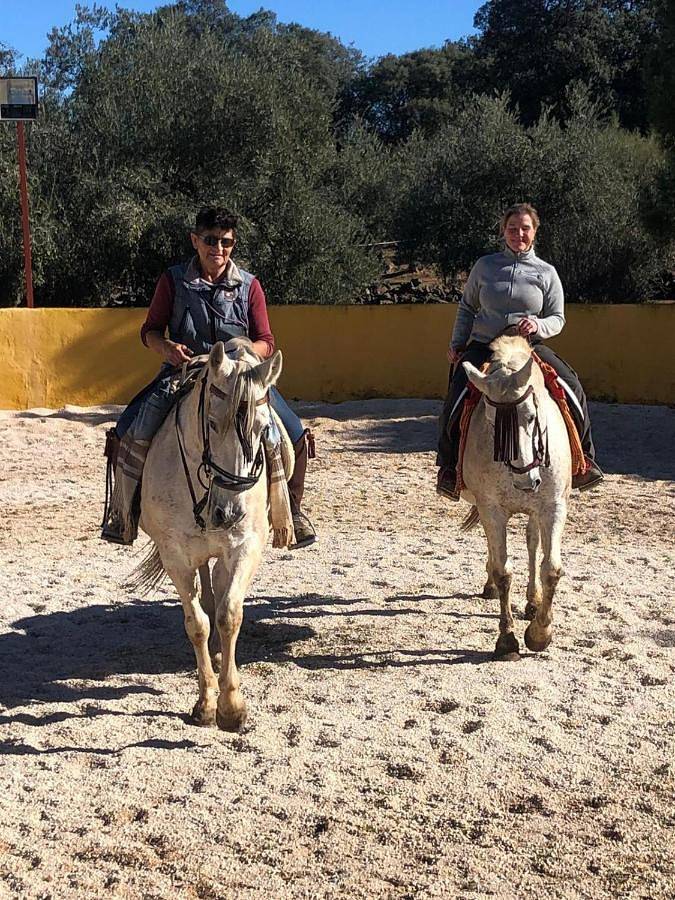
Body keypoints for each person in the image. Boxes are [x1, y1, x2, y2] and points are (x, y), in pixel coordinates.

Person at [101, 206, 317, 548]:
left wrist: (247, 355)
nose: (218, 249)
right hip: (184, 371)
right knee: (130, 429)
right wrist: (168, 348)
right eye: (211, 240)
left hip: (239, 377)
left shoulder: (249, 286)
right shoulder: (173, 280)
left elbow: (266, 340)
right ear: (195, 240)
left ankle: (291, 511)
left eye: (226, 242)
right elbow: (151, 330)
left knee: (293, 435)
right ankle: (123, 514)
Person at [436, 202, 604, 500]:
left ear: (534, 232)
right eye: (512, 229)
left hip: (527, 348)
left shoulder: (546, 272)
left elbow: (557, 318)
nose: (519, 234)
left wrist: (538, 325)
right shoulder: (485, 266)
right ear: (503, 231)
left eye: (525, 228)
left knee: (572, 385)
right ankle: (448, 468)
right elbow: (467, 307)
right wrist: (457, 344)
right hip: (485, 346)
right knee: (458, 392)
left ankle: (584, 460)